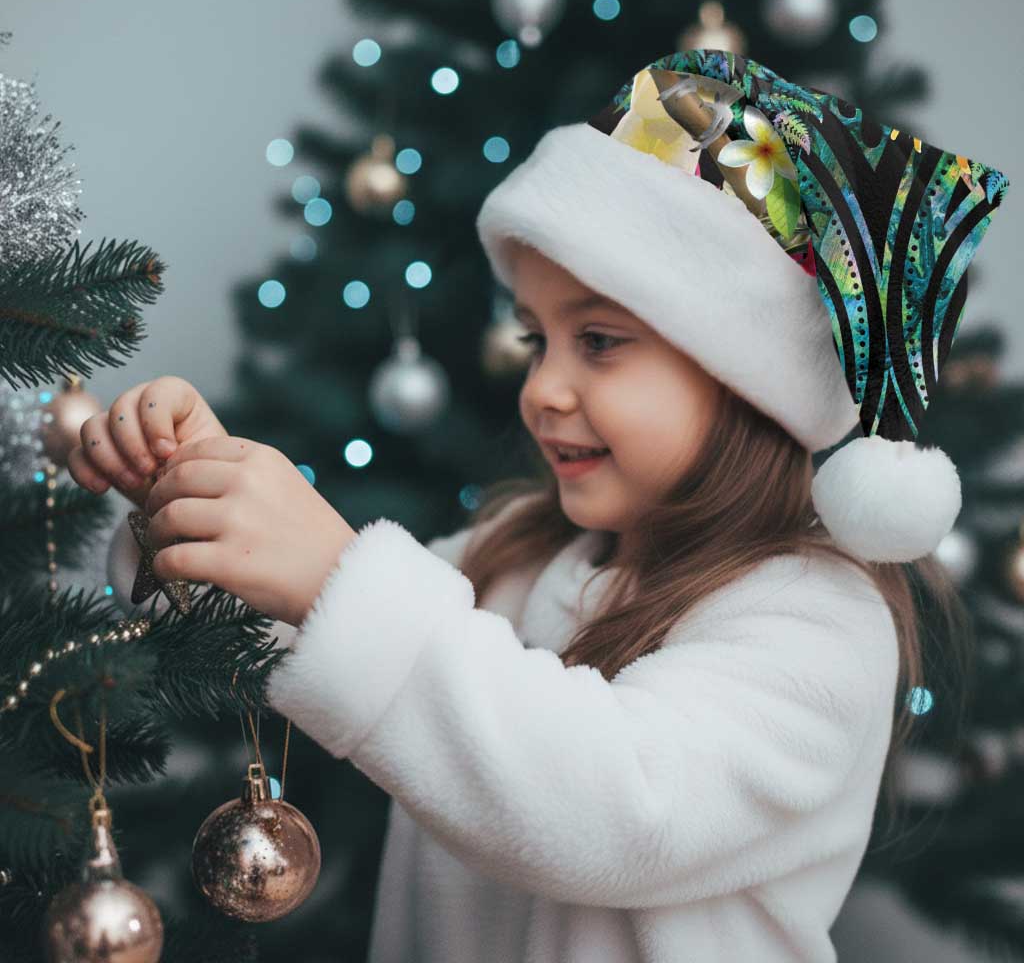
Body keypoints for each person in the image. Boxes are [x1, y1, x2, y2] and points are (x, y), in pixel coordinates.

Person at [72, 49, 1011, 962]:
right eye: (536, 341)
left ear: (748, 380)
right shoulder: (515, 555)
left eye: (598, 342)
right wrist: (191, 505)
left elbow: (614, 810)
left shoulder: (818, 622)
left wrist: (335, 575)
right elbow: (306, 631)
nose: (543, 389)